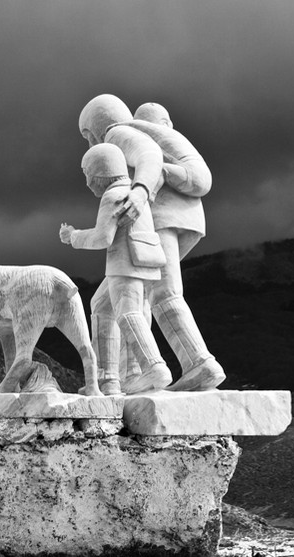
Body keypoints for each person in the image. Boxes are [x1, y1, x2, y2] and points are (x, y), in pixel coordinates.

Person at [78, 94, 225, 392]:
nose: (91, 143)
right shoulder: (133, 131)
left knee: (164, 293)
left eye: (86, 136)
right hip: (167, 221)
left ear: (93, 130)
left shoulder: (117, 133)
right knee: (104, 303)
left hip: (157, 221)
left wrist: (141, 191)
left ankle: (199, 363)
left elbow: (149, 155)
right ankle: (117, 379)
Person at [60, 143, 171, 394]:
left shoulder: (113, 196)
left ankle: (154, 367)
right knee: (101, 305)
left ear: (101, 173)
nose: (88, 184)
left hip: (124, 264)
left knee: (128, 313)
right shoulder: (134, 193)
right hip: (145, 261)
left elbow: (103, 238)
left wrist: (73, 236)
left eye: (88, 176)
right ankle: (108, 378)